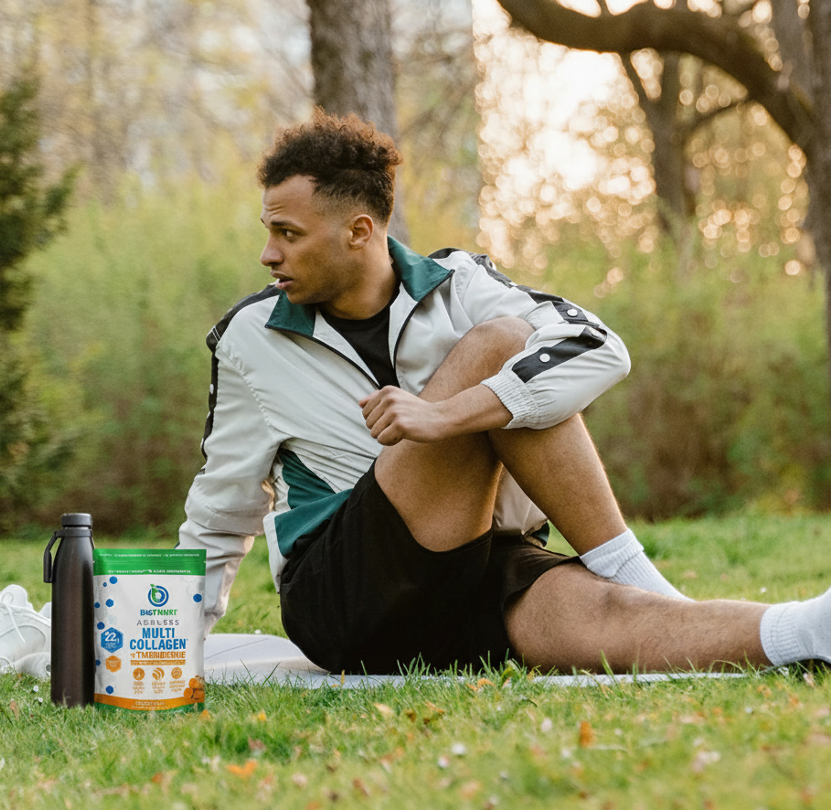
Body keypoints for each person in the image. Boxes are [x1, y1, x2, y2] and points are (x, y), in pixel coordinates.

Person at [177, 110, 827, 677]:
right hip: (344, 597)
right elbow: (221, 505)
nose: (268, 253)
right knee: (499, 345)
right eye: (269, 231)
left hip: (478, 565)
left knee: (607, 614)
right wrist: (175, 643)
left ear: (359, 230)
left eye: (287, 233)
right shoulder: (249, 338)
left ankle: (804, 630)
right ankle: (655, 586)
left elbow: (598, 347)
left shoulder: (459, 282)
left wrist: (445, 415)